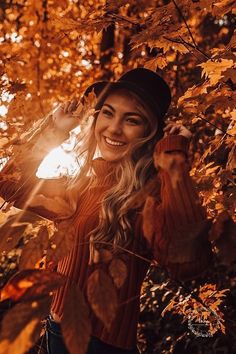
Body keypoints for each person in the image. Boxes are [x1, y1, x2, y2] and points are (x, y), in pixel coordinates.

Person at [0, 68, 212, 354]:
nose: (114, 128)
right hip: (56, 331)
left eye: (132, 120)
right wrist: (56, 128)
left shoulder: (150, 199)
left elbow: (188, 262)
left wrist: (174, 160)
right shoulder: (81, 188)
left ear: (149, 133)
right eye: (108, 113)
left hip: (103, 346)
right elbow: (9, 184)